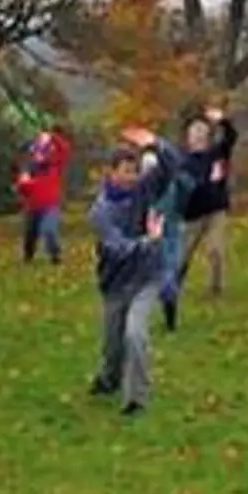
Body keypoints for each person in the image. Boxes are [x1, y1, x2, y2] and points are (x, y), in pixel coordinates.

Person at [88, 126, 183, 416]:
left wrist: (156, 143)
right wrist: (148, 241)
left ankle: (136, 399)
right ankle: (109, 379)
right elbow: (117, 248)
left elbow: (172, 167)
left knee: (135, 334)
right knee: (114, 344)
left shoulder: (143, 189)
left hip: (146, 278)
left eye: (135, 171)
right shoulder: (100, 211)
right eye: (126, 171)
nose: (132, 177)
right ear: (111, 173)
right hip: (115, 282)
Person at [179, 105, 239, 298]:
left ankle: (216, 290)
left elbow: (231, 136)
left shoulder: (217, 153)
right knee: (181, 256)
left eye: (202, 130)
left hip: (216, 211)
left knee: (215, 250)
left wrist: (222, 120)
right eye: (194, 130)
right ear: (187, 136)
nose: (198, 134)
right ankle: (171, 288)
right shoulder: (182, 161)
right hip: (191, 215)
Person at [148, 145, 195, 332]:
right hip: (147, 241)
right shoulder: (140, 190)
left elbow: (192, 190)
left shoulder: (178, 184)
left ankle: (170, 320)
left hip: (172, 236)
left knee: (168, 279)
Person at [14, 123, 73, 267]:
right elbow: (22, 187)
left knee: (49, 231)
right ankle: (28, 256)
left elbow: (64, 149)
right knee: (30, 234)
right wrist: (23, 184)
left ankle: (56, 257)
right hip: (32, 206)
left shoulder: (55, 166)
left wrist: (53, 136)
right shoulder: (30, 168)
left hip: (50, 205)